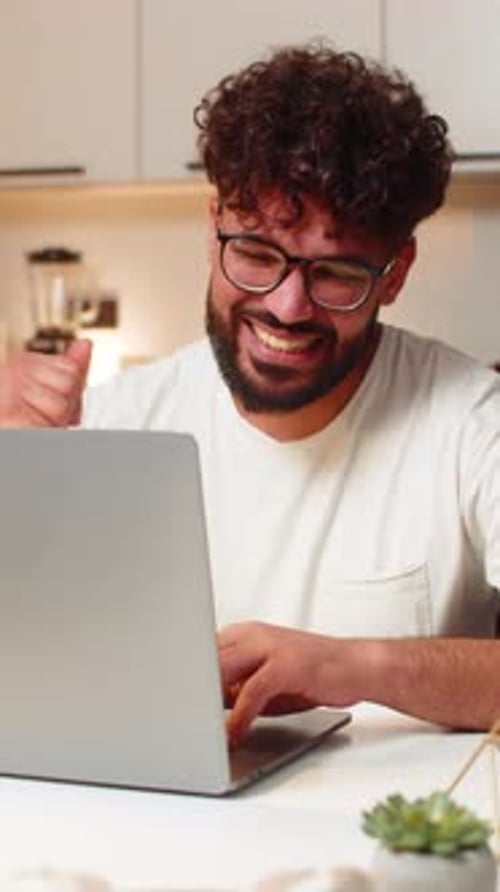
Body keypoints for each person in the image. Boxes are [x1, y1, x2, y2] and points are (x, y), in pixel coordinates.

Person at [1, 43, 500, 745]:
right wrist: (15, 471)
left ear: (395, 273)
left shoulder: (474, 422)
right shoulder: (119, 419)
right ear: (213, 230)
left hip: (399, 841)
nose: (288, 308)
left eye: (334, 273)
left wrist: (354, 665)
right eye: (259, 255)